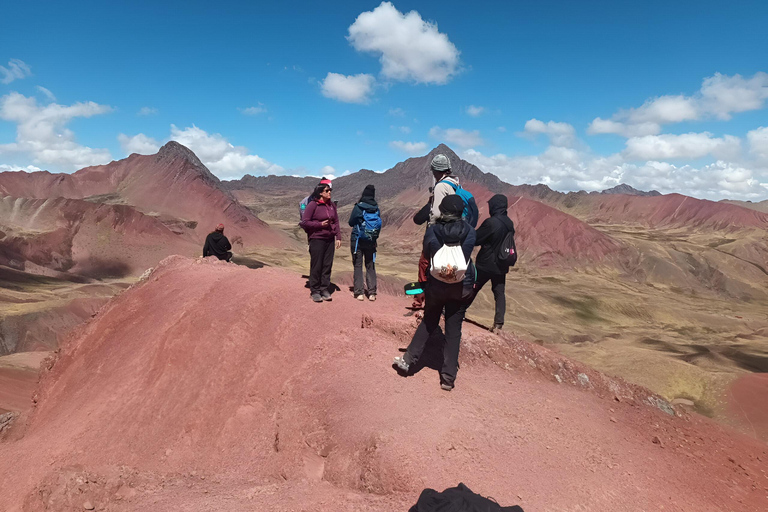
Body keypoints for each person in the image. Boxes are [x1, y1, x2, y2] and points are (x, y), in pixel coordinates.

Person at [393, 195, 476, 391]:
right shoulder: (470, 232)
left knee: (429, 321)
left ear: (442, 210)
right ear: (460, 212)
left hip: (437, 287)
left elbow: (428, 256)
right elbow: (465, 257)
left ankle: (407, 361)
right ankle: (448, 377)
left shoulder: (432, 231)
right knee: (454, 330)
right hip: (461, 288)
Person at [465, 194, 516, 332]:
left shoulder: (491, 222)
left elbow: (477, 239)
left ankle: (459, 311)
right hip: (501, 264)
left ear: (494, 206)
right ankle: (498, 323)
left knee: (473, 287)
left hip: (486, 264)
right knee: (499, 292)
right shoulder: (509, 223)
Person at [299, 183, 341, 302]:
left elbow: (336, 221)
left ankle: (324, 288)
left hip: (329, 239)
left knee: (327, 265)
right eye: (327, 191)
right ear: (321, 193)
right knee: (317, 265)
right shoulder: (313, 205)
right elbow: (305, 222)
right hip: (317, 238)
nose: (329, 192)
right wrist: (319, 224)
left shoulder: (332, 205)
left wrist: (338, 237)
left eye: (330, 190)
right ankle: (315, 290)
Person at [348, 185, 381, 301]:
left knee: (358, 265)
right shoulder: (376, 208)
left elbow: (351, 222)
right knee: (370, 265)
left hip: (357, 240)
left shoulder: (359, 207)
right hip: (371, 241)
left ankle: (359, 293)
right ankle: (372, 293)